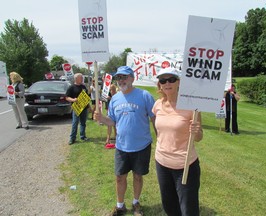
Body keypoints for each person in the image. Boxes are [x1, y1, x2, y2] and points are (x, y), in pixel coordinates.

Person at [94, 66, 156, 216]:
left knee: (137, 176)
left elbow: (154, 119)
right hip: (121, 146)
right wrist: (102, 118)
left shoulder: (145, 95)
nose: (121, 80)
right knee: (120, 177)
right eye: (119, 78)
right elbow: (112, 121)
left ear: (132, 78)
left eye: (124, 77)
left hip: (142, 145)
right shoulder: (114, 99)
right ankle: (120, 205)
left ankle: (136, 202)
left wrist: (160, 138)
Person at [152, 67, 203, 216]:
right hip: (162, 163)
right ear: (159, 84)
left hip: (185, 166)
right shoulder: (157, 105)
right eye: (163, 80)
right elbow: (159, 130)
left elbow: (199, 137)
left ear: (178, 82)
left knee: (188, 210)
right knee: (169, 206)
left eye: (171, 79)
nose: (167, 83)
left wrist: (196, 131)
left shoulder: (191, 106)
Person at [66, 73, 89, 144]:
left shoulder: (83, 87)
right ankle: (72, 138)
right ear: (76, 79)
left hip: (84, 108)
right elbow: (67, 97)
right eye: (81, 78)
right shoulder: (71, 87)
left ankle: (83, 136)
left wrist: (89, 107)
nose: (82, 79)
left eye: (82, 77)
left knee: (83, 123)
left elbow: (87, 97)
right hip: (76, 108)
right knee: (75, 123)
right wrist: (73, 100)